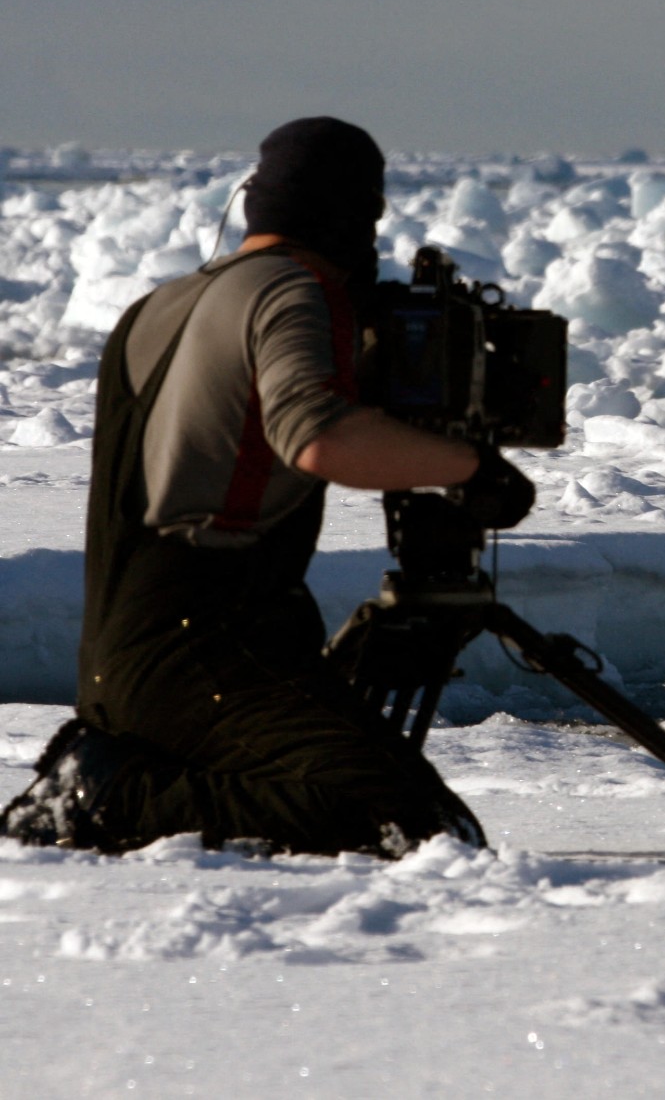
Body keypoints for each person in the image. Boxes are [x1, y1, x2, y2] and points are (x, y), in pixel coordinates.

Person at [1, 117, 534, 857]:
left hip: (124, 649)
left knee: (372, 793)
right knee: (410, 825)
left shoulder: (162, 304)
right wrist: (474, 471)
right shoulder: (289, 289)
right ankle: (111, 795)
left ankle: (124, 778)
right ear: (352, 215)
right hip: (207, 647)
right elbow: (317, 436)